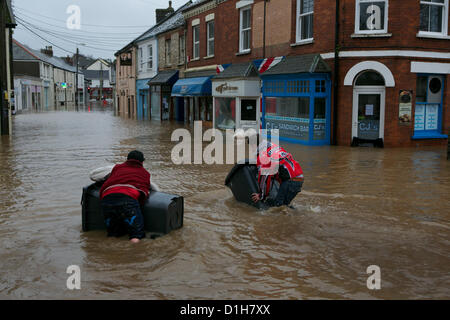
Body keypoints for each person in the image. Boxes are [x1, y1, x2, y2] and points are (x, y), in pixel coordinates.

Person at [240, 131, 304, 208]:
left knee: (278, 207)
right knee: (283, 206)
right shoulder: (274, 147)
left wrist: (261, 196)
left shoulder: (262, 155)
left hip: (290, 181)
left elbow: (264, 177)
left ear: (254, 145)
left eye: (250, 146)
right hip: (299, 178)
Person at [99, 150, 151, 243]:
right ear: (142, 162)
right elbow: (144, 192)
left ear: (127, 160)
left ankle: (108, 254)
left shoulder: (117, 167)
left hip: (107, 199)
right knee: (136, 235)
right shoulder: (144, 173)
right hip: (127, 200)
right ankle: (134, 255)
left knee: (112, 234)